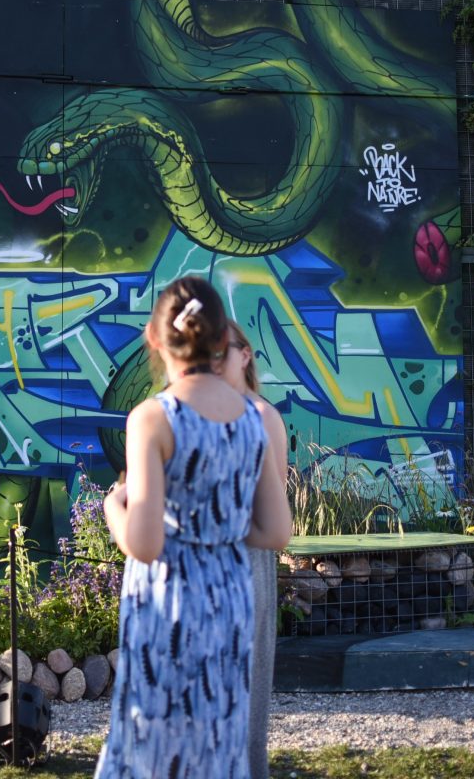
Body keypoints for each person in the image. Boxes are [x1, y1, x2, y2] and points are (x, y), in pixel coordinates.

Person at [94, 277, 292, 779]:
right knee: (216, 741)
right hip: (230, 600)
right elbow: (275, 531)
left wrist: (113, 508)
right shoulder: (255, 418)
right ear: (223, 340)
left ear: (154, 339)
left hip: (170, 603)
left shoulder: (152, 418)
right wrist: (216, 530)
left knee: (155, 743)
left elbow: (144, 544)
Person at [220, 318, 291, 779]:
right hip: (205, 566)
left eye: (221, 349)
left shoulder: (263, 416)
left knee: (246, 695)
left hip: (249, 561)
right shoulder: (197, 413)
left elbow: (274, 507)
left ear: (245, 354)